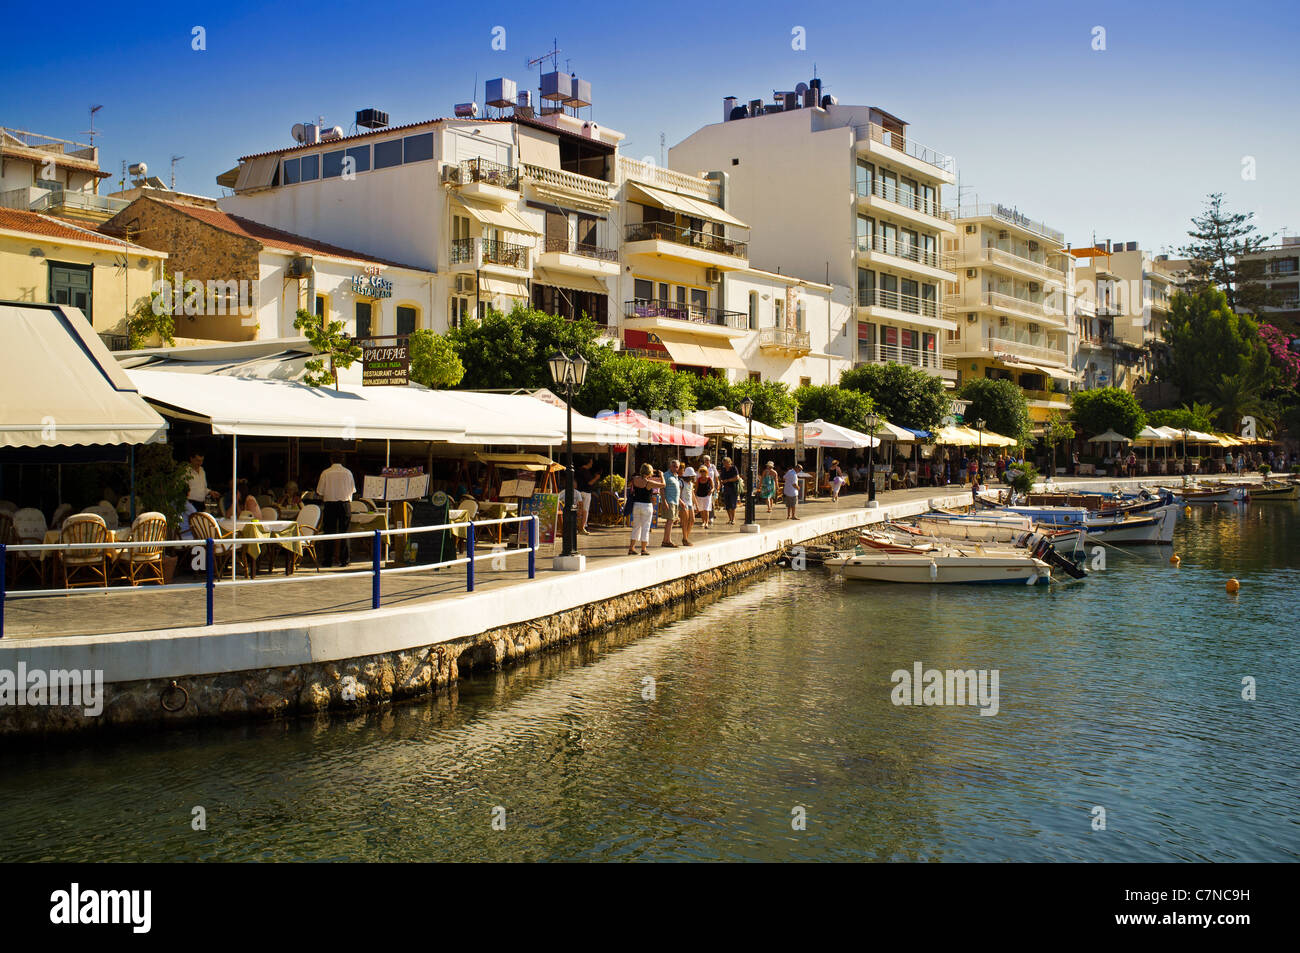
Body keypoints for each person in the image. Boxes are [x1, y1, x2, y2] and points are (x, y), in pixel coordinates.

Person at [316, 452, 357, 568]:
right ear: (342, 460)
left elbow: (320, 491)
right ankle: (345, 560)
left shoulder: (326, 473)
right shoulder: (348, 473)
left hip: (330, 504)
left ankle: (327, 560)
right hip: (344, 504)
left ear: (331, 460)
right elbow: (352, 490)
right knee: (345, 532)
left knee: (329, 532)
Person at [627, 463, 663, 556]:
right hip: (646, 506)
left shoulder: (635, 479)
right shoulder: (649, 483)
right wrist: (662, 475)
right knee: (646, 527)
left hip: (636, 505)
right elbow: (663, 485)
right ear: (650, 472)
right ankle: (643, 549)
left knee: (636, 527)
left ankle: (631, 548)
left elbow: (630, 485)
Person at [660, 460, 681, 547]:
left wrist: (680, 501)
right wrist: (664, 501)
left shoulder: (676, 476)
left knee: (671, 521)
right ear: (670, 466)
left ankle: (665, 540)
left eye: (676, 466)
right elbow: (662, 488)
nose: (675, 468)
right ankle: (667, 540)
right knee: (670, 520)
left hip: (675, 501)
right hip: (669, 501)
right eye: (673, 466)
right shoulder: (666, 475)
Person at [576, 459, 600, 535]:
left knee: (579, 510)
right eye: (591, 462)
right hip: (586, 492)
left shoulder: (578, 470)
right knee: (585, 510)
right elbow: (590, 482)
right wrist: (597, 477)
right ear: (588, 463)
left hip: (579, 492)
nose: (592, 464)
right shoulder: (585, 471)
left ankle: (577, 527)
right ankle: (582, 528)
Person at [694, 458, 715, 529]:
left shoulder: (709, 479)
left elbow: (713, 487)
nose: (703, 472)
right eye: (701, 471)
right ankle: (703, 521)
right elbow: (696, 488)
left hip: (707, 495)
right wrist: (694, 495)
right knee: (701, 510)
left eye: (704, 471)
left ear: (706, 472)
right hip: (700, 495)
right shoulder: (698, 479)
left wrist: (711, 491)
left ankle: (706, 522)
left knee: (706, 509)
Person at [719, 456, 741, 524]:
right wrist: (721, 481)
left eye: (726, 463)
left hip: (733, 488)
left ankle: (733, 519)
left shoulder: (733, 468)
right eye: (724, 463)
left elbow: (737, 477)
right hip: (726, 488)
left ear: (729, 462)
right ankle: (730, 519)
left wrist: (728, 480)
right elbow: (721, 477)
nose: (725, 465)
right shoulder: (723, 469)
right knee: (727, 505)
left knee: (733, 504)